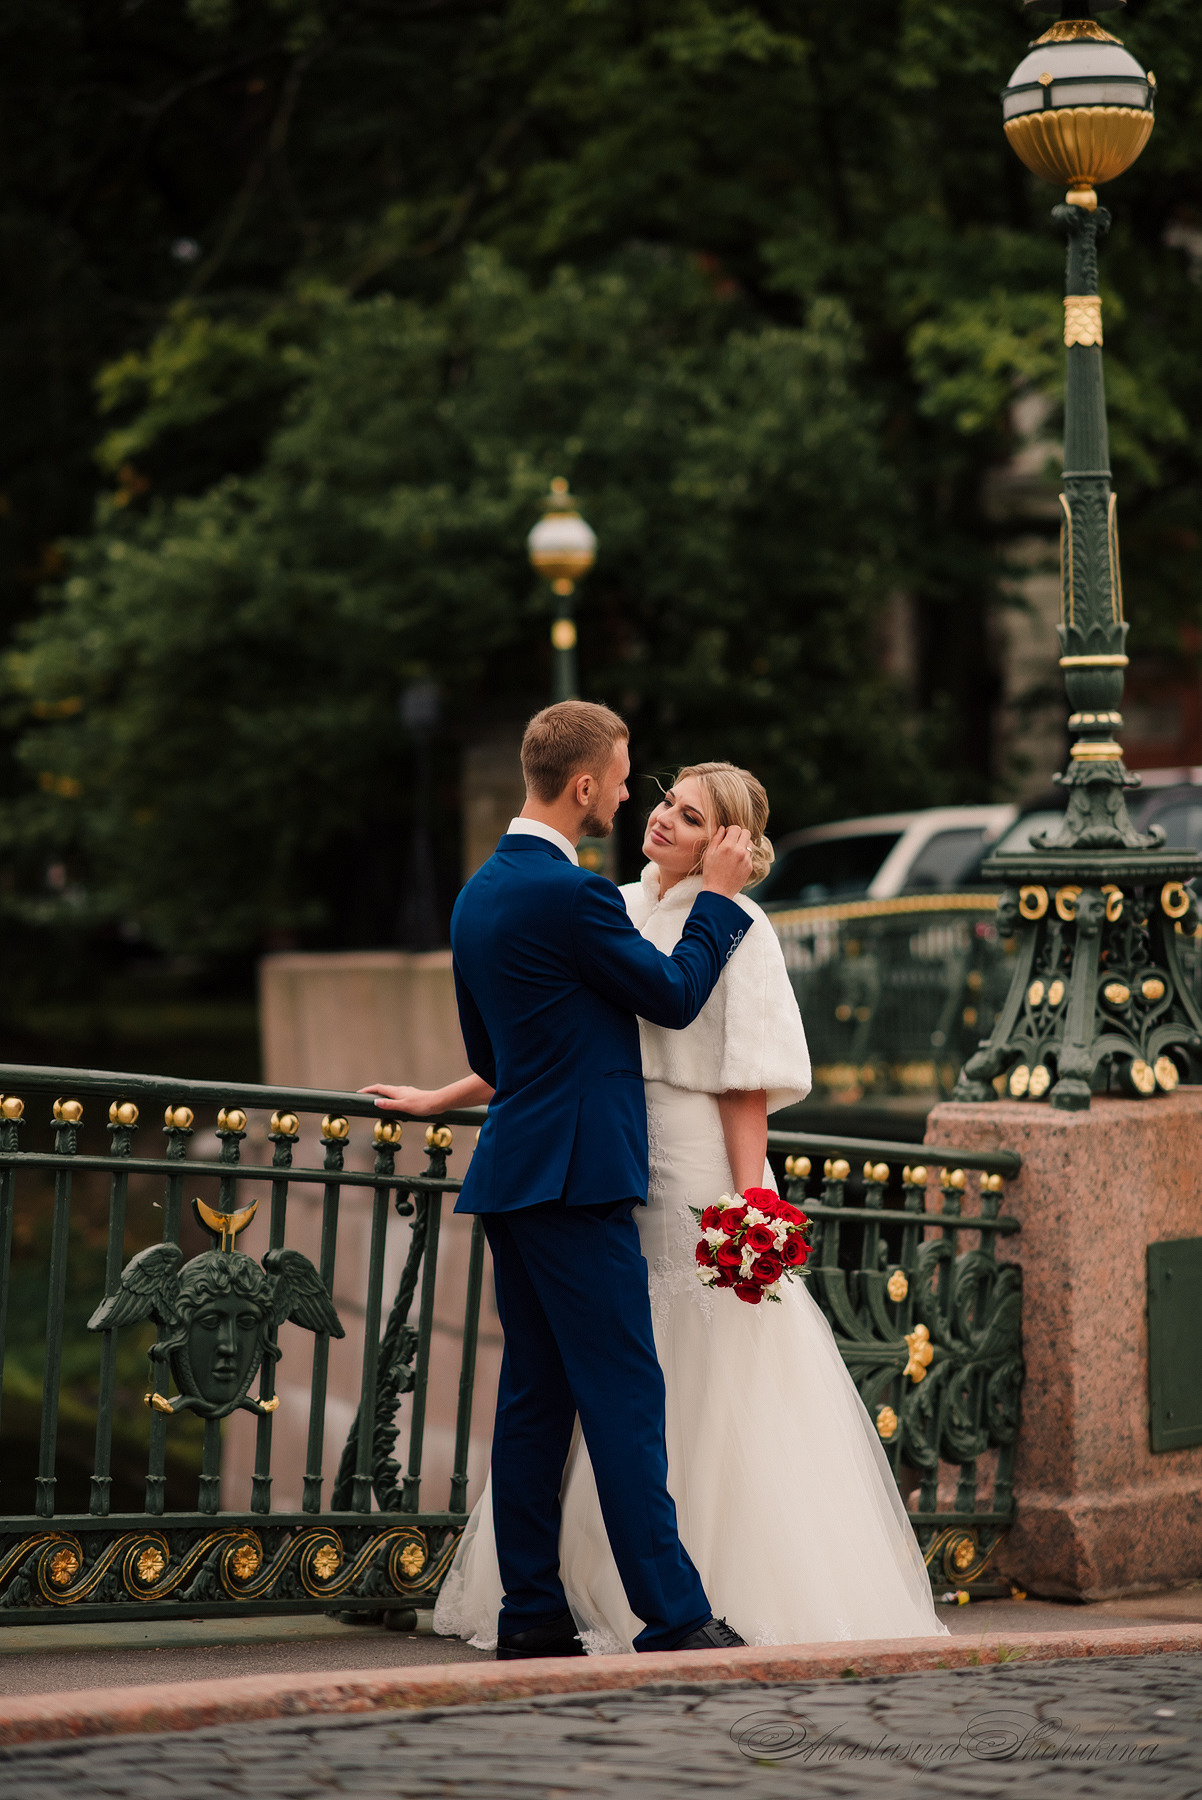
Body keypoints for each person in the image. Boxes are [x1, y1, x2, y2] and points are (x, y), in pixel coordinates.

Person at [376, 756, 948, 1651]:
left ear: (726, 843)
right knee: (608, 1388)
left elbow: (742, 1080)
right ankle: (646, 1609)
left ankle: (643, 1595)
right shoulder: (609, 903)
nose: (660, 818)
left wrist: (750, 1202)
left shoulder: (736, 924)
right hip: (603, 1166)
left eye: (688, 816)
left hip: (679, 1169)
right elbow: (554, 1035)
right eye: (663, 802)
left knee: (648, 1380)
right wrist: (444, 1097)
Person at [365, 703, 756, 1659]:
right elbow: (673, 995)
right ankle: (675, 1616)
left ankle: (532, 1616)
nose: (627, 796)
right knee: (623, 1396)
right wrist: (717, 899)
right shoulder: (576, 897)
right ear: (583, 785)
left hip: (514, 1172)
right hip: (578, 1181)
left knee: (535, 1402)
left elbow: (491, 1056)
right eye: (621, 780)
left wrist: (447, 1096)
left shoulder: (477, 895)